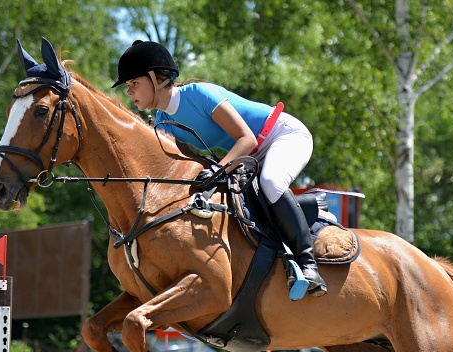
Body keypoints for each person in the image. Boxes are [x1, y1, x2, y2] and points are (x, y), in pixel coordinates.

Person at [112, 40, 326, 298]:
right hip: (250, 155)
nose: (129, 91)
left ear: (154, 78)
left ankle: (308, 265)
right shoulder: (162, 122)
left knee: (270, 182)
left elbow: (246, 139)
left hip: (281, 135)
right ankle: (299, 220)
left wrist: (218, 171)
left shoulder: (197, 94)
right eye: (128, 86)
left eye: (134, 83)